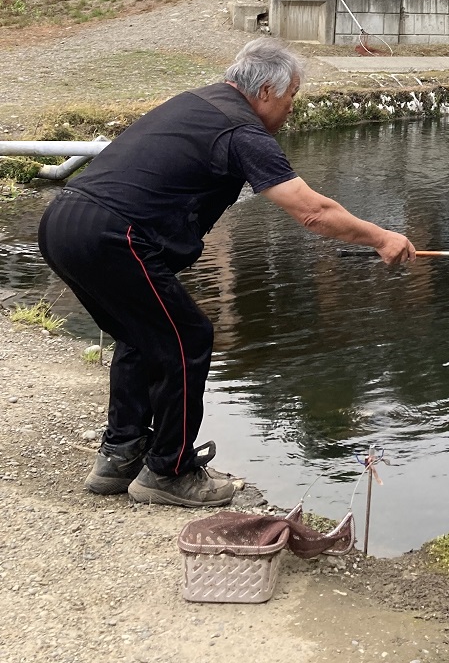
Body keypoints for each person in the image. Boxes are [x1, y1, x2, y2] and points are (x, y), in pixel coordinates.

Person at [37, 38, 415, 510]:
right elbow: (314, 212)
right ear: (266, 93)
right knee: (189, 338)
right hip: (114, 235)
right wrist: (381, 237)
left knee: (143, 337)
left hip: (63, 222)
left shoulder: (197, 102)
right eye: (291, 96)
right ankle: (169, 472)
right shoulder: (242, 130)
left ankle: (119, 456)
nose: (292, 108)